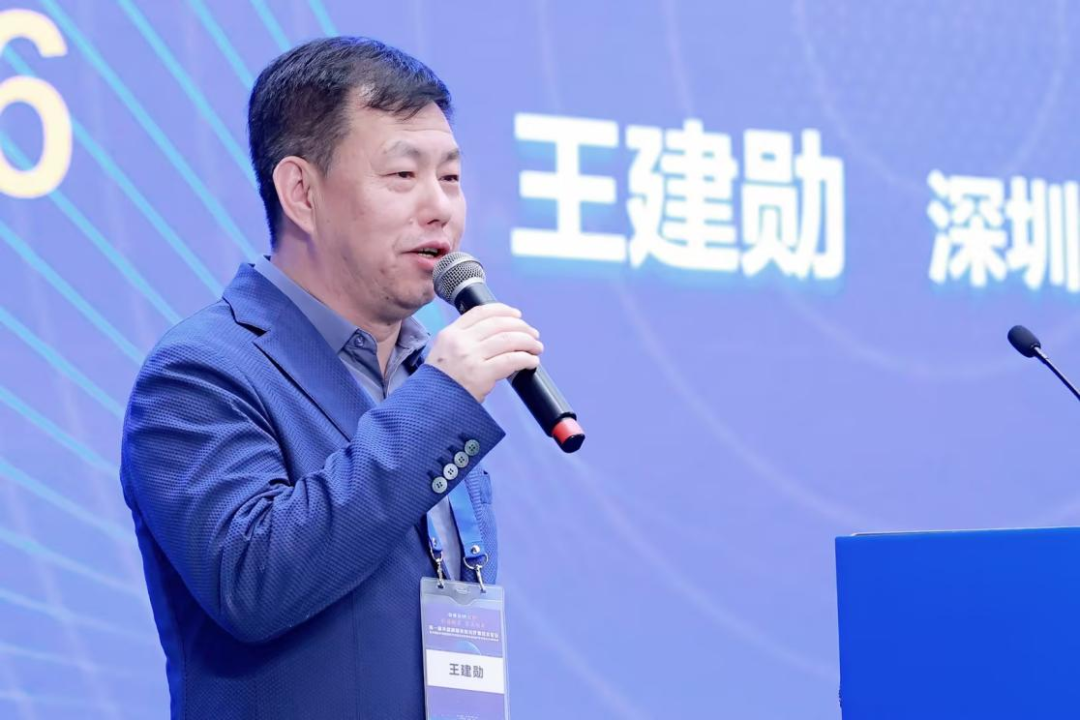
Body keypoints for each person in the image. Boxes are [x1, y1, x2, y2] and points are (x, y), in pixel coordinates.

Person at [119, 36, 542, 719]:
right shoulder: (202, 371)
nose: (439, 207)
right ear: (301, 192)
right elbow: (252, 582)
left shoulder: (424, 377)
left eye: (451, 177)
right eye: (402, 175)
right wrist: (441, 402)